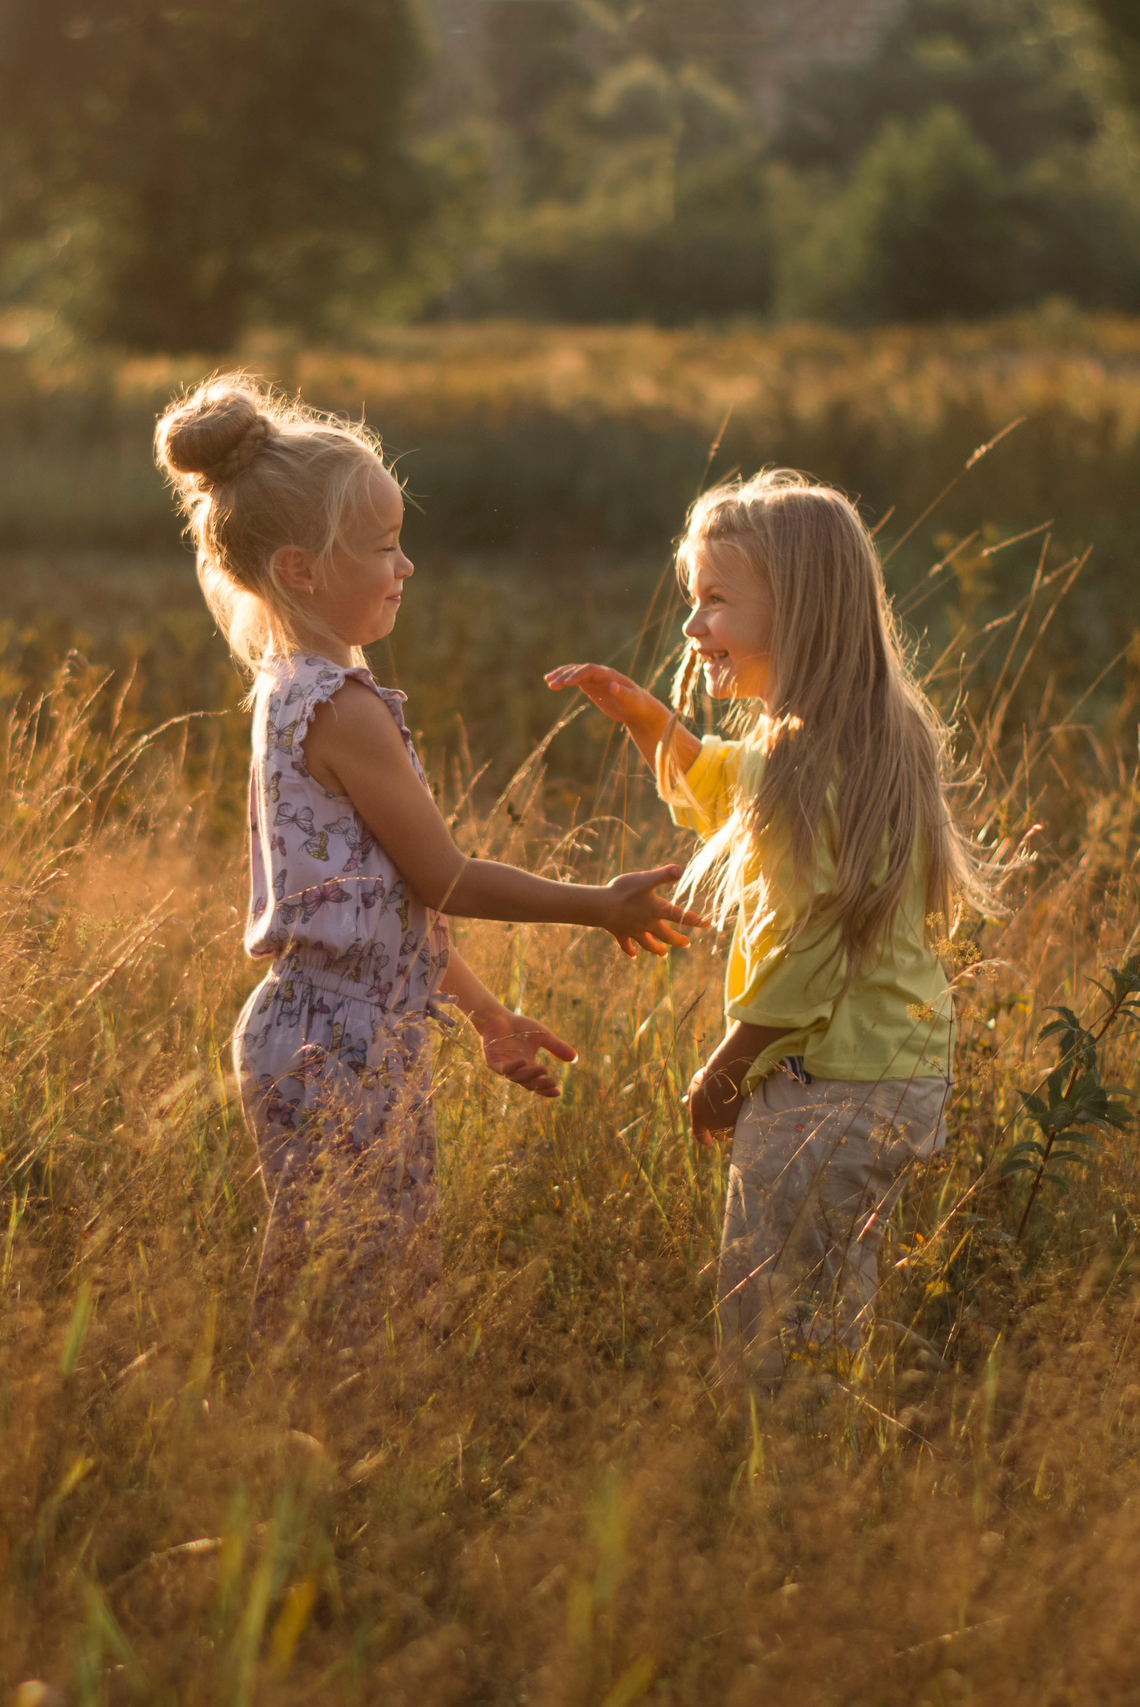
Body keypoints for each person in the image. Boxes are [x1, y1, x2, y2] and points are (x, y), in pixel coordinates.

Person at [155, 374, 705, 1346]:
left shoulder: (290, 691)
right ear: (300, 570)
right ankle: (321, 1467)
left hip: (326, 1028)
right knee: (355, 1304)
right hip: (338, 1048)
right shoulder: (343, 709)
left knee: (340, 1288)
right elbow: (443, 879)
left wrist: (488, 1017)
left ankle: (303, 1460)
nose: (406, 565)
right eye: (380, 546)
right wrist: (599, 904)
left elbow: (378, 905)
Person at [547, 469, 998, 1390]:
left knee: (772, 1330)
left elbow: (811, 948)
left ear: (797, 609)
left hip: (824, 1084)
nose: (691, 625)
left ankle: (791, 1485)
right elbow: (728, 793)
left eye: (716, 600)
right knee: (822, 1304)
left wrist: (725, 1067)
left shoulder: (809, 756)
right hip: (886, 1072)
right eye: (691, 598)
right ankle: (821, 1463)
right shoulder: (856, 733)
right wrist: (651, 722)